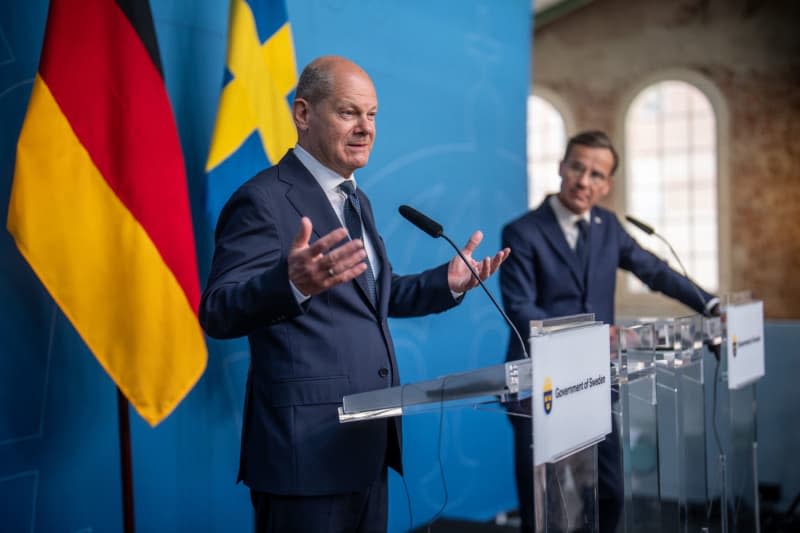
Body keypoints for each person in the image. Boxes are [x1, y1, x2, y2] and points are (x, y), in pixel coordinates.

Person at [200, 55, 509, 533]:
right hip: (304, 456)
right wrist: (290, 284)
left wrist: (445, 283)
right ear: (303, 114)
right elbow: (218, 311)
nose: (366, 128)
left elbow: (370, 298)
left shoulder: (354, 199)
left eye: (372, 115)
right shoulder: (262, 199)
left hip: (367, 441)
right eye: (348, 112)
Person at [500, 130, 718, 532]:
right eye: (578, 168)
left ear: (607, 184)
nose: (584, 181)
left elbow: (654, 271)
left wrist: (710, 303)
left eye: (596, 174)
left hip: (595, 383)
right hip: (539, 385)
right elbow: (521, 309)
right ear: (562, 167)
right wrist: (587, 337)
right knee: (546, 507)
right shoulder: (522, 232)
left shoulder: (608, 226)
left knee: (607, 493)